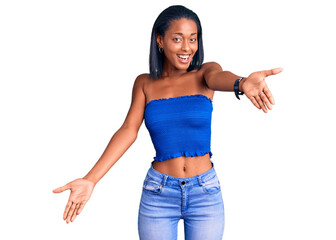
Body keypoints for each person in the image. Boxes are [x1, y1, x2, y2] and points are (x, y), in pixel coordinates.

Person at [53, 5, 282, 240]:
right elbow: (128, 130)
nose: (187, 47)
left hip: (205, 193)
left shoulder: (205, 72)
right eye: (177, 39)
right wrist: (91, 179)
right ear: (160, 41)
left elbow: (219, 78)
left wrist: (241, 83)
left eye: (193, 39)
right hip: (158, 194)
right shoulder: (145, 83)